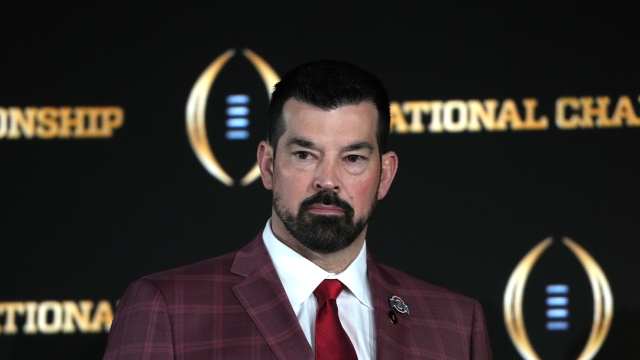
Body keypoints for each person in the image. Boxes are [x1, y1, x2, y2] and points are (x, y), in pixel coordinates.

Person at [103, 60, 492, 360]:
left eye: (353, 158)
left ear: (385, 174)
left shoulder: (456, 324)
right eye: (305, 155)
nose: (327, 180)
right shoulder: (169, 308)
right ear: (269, 165)